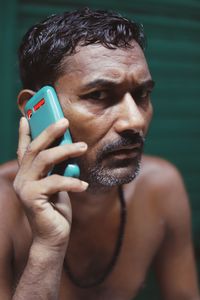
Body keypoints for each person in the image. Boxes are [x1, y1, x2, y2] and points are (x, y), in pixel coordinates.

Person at [0, 7, 199, 300]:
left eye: (142, 95)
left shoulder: (161, 188)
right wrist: (47, 249)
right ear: (36, 109)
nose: (135, 121)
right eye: (99, 95)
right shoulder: (4, 207)